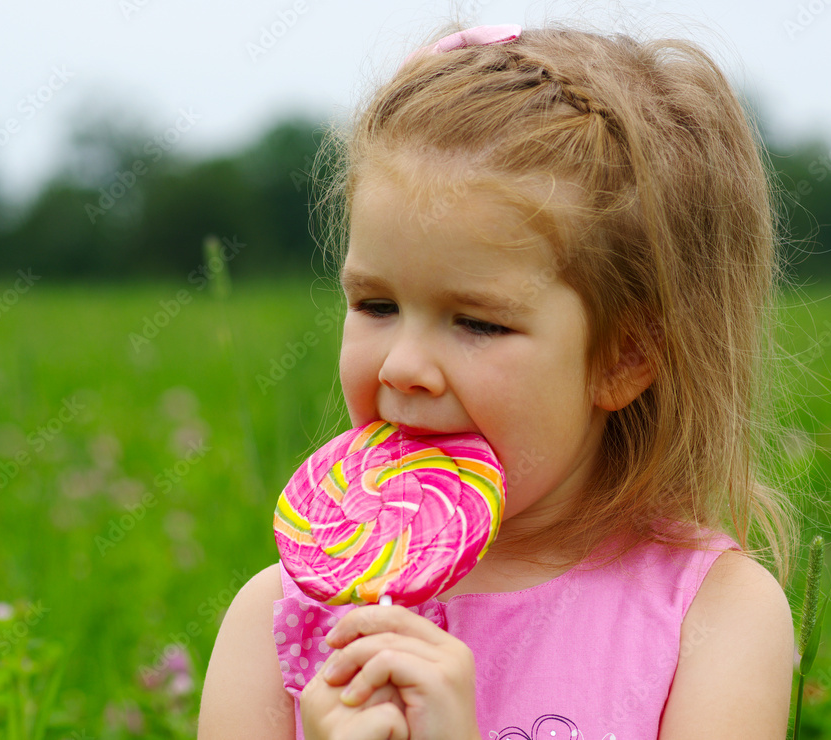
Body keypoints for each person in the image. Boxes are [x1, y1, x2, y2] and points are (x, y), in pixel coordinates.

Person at [198, 20, 798, 740]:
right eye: (377, 305)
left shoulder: (715, 616)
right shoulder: (276, 625)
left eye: (477, 323)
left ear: (624, 357)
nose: (402, 367)